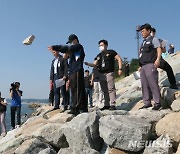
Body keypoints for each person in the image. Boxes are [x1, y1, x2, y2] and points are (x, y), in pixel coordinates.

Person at [48, 34, 87, 115]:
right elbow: (65, 56)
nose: (70, 43)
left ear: (75, 40)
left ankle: (76, 108)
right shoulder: (73, 51)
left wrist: (55, 47)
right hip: (73, 70)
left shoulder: (78, 46)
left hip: (77, 70)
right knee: (76, 89)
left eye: (71, 42)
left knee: (76, 89)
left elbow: (67, 48)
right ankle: (83, 107)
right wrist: (66, 54)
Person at [85, 39, 123, 110]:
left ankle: (112, 104)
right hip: (101, 74)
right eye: (99, 46)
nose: (100, 47)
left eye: (102, 45)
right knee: (104, 90)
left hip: (109, 72)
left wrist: (120, 68)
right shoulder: (99, 55)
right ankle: (106, 104)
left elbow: (119, 59)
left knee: (111, 89)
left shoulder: (111, 52)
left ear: (106, 45)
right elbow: (94, 64)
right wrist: (87, 63)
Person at [139, 23, 162, 110]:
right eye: (141, 32)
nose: (142, 33)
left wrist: (158, 59)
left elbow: (158, 48)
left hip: (150, 64)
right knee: (144, 85)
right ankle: (147, 102)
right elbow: (141, 54)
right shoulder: (143, 42)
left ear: (148, 31)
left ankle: (157, 102)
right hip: (143, 66)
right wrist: (140, 65)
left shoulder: (153, 39)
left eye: (143, 31)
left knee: (153, 83)